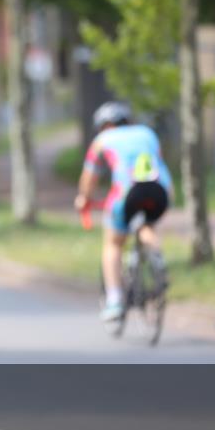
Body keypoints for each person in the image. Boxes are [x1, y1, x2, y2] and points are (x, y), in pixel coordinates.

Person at [74, 101, 174, 321]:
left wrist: (84, 199)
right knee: (147, 226)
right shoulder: (147, 133)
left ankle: (115, 300)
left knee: (113, 243)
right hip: (160, 191)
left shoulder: (102, 140)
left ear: (103, 126)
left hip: (126, 194)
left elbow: (89, 179)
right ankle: (157, 259)